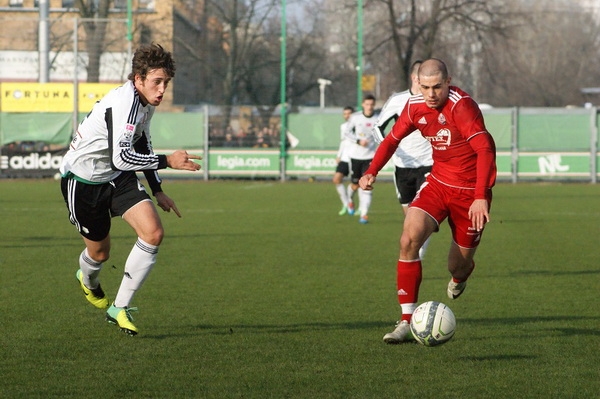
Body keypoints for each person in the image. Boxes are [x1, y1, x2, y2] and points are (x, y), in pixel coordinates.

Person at [59, 43, 201, 336]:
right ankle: (88, 280)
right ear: (138, 79)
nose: (162, 89)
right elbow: (121, 156)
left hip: (117, 178)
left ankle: (119, 307)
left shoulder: (145, 103)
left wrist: (157, 189)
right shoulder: (125, 103)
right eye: (156, 82)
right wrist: (168, 161)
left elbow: (141, 143)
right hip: (83, 182)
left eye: (166, 82)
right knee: (99, 255)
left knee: (153, 233)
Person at [359, 58, 496, 344]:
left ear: (448, 81)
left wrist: (480, 197)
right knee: (409, 238)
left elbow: (484, 149)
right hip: (437, 184)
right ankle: (406, 320)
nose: (431, 94)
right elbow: (391, 140)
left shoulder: (462, 106)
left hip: (470, 193)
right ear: (417, 84)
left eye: (437, 87)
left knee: (456, 266)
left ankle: (461, 276)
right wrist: (371, 171)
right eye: (425, 87)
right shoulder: (414, 106)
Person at [373, 60, 433, 258]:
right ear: (415, 78)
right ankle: (417, 247)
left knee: (422, 215)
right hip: (402, 165)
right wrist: (390, 146)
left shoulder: (433, 99)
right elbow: (377, 127)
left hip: (429, 164)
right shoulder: (398, 100)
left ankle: (419, 254)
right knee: (409, 217)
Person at [344, 94, 378, 224]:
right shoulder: (355, 117)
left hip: (370, 157)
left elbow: (381, 133)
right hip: (356, 156)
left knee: (367, 185)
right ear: (363, 104)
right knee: (355, 185)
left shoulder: (378, 118)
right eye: (367, 104)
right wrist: (358, 141)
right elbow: (347, 132)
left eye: (371, 104)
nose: (369, 107)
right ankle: (350, 201)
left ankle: (364, 214)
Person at [333, 106, 354, 215]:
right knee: (337, 179)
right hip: (345, 158)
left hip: (356, 158)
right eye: (345, 114)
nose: (347, 116)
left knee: (356, 184)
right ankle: (346, 204)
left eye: (349, 113)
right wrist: (339, 155)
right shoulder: (343, 127)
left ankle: (359, 206)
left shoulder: (358, 125)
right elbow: (343, 142)